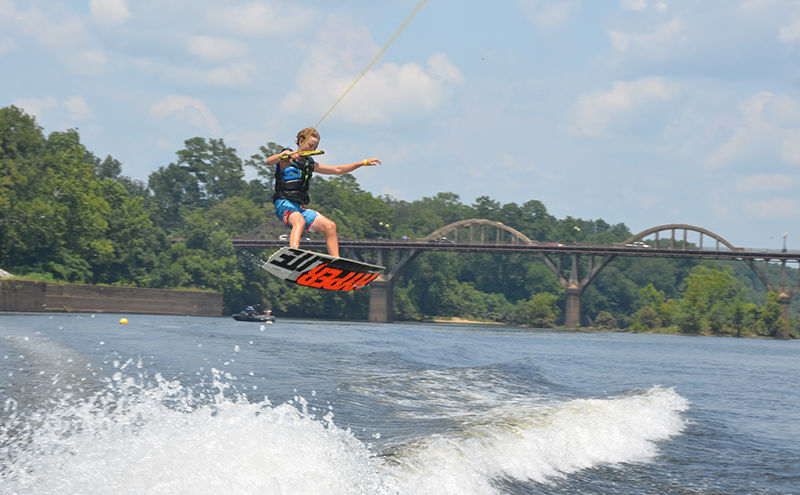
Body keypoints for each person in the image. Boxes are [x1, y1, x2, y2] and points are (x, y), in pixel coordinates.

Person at [267, 127, 380, 258]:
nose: (313, 150)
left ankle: (336, 262)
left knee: (330, 226)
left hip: (299, 208)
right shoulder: (287, 158)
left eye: (315, 147)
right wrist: (286, 154)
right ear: (301, 141)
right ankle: (293, 254)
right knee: (300, 222)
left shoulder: (310, 164)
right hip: (284, 203)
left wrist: (363, 163)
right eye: (310, 145)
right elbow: (269, 161)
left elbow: (338, 170)